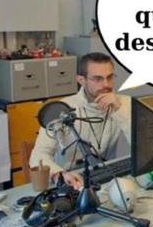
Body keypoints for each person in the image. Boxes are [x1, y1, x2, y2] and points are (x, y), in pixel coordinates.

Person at [30, 53, 130, 189]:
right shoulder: (60, 109)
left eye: (110, 77)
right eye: (98, 79)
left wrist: (119, 111)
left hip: (107, 178)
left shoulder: (122, 103)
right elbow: (39, 154)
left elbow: (144, 146)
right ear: (81, 80)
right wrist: (58, 174)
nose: (106, 84)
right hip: (72, 180)